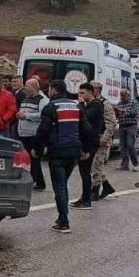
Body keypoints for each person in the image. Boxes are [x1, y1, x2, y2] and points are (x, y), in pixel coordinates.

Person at [35, 80, 88, 233]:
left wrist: (37, 149)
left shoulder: (50, 107)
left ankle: (64, 221)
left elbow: (43, 130)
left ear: (53, 90)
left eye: (49, 89)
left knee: (60, 186)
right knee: (63, 184)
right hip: (74, 152)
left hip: (58, 152)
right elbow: (85, 129)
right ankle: (61, 218)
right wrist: (85, 148)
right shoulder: (77, 106)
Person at [72, 83, 104, 209]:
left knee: (85, 171)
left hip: (91, 142)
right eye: (79, 93)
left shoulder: (96, 105)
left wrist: (79, 105)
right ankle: (85, 197)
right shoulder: (87, 105)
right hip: (84, 141)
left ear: (91, 93)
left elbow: (84, 117)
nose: (80, 95)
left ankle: (86, 200)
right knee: (83, 171)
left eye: (82, 93)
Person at [89, 80, 119, 201]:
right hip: (92, 138)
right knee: (94, 165)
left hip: (101, 137)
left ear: (97, 90)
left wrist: (105, 139)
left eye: (92, 89)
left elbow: (111, 123)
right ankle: (106, 186)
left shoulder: (104, 103)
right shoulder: (91, 103)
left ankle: (95, 190)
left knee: (96, 164)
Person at [16, 78, 47, 190]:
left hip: (33, 134)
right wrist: (19, 114)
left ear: (34, 87)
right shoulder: (25, 98)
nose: (25, 88)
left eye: (27, 86)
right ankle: (39, 182)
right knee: (28, 158)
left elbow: (43, 115)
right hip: (23, 132)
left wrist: (27, 116)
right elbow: (24, 112)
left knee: (34, 159)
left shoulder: (42, 100)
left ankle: (35, 181)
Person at [114, 89, 139, 170]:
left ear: (128, 95)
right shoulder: (119, 103)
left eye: (123, 96)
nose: (121, 97)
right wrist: (116, 113)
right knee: (122, 146)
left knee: (130, 145)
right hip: (122, 125)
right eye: (121, 95)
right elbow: (117, 114)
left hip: (131, 126)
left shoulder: (134, 102)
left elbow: (133, 112)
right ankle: (124, 164)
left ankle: (135, 163)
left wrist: (121, 111)